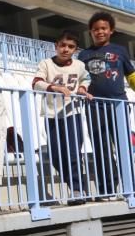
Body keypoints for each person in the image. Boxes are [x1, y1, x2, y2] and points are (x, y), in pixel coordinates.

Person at [78, 11, 135, 197]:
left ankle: (132, 187)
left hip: (118, 105)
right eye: (95, 29)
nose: (100, 32)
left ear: (111, 30)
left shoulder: (120, 51)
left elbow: (132, 75)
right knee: (100, 147)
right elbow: (79, 78)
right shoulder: (84, 55)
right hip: (94, 106)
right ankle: (107, 189)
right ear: (90, 32)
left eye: (104, 28)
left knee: (122, 146)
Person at [32, 30, 92, 205]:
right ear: (56, 46)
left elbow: (86, 79)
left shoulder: (79, 65)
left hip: (72, 113)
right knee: (56, 155)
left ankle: (77, 189)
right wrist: (55, 88)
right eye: (63, 45)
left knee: (73, 153)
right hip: (51, 115)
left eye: (71, 47)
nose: (66, 49)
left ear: (75, 50)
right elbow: (36, 83)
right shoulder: (46, 64)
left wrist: (82, 88)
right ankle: (77, 186)